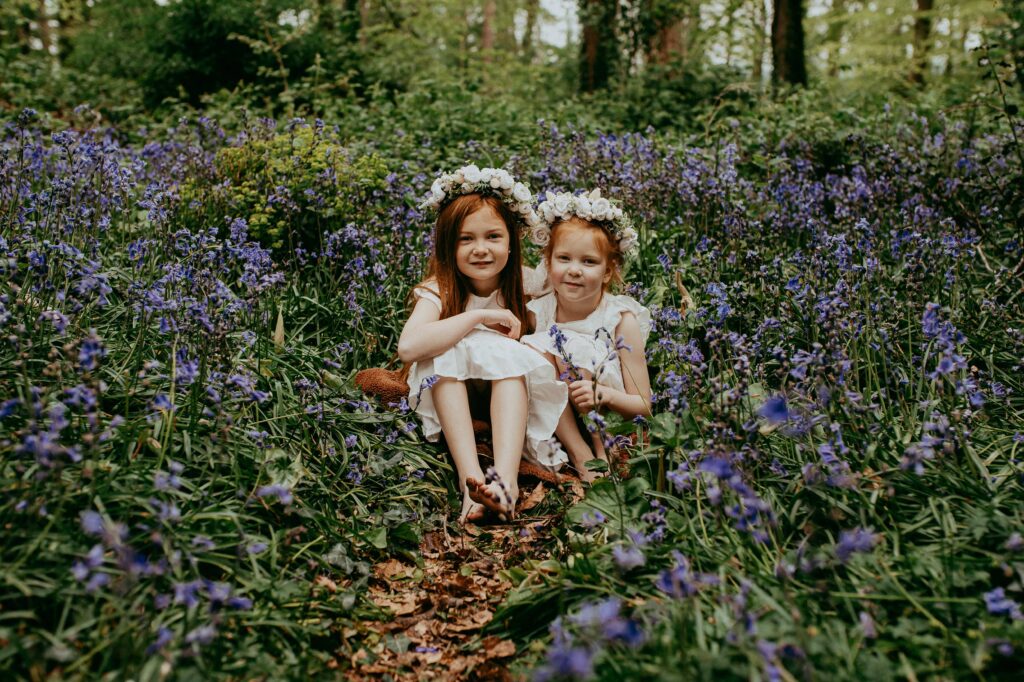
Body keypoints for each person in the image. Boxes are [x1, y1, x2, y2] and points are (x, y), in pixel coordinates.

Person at [398, 165, 568, 523]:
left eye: (493, 236)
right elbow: (409, 348)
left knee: (510, 363)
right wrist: (476, 318)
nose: (480, 249)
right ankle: (469, 481)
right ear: (449, 245)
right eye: (465, 239)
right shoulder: (439, 289)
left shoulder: (528, 285)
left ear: (511, 243)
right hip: (450, 392)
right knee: (441, 354)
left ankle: (505, 483)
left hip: (507, 394)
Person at [521, 189, 652, 482]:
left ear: (608, 271)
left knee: (575, 349)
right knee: (530, 351)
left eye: (589, 262)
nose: (574, 270)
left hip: (609, 416)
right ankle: (580, 453)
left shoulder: (619, 319)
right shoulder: (539, 311)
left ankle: (603, 451)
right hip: (561, 418)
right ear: (549, 262)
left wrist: (604, 394)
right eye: (564, 258)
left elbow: (643, 404)